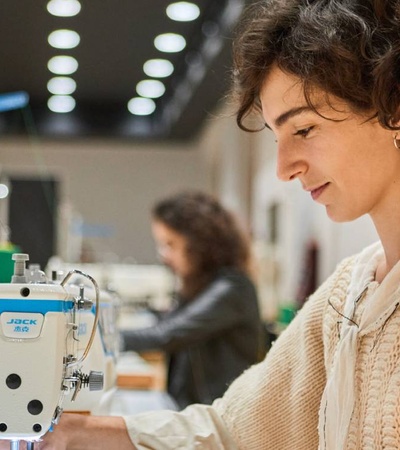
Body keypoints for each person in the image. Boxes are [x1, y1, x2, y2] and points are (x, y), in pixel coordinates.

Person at [13, 0, 400, 448]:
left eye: (305, 130)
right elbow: (233, 428)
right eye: (276, 138)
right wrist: (86, 433)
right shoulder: (346, 297)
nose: (283, 168)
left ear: (391, 102)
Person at [120, 191, 265, 409]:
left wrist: (101, 336)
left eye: (170, 244)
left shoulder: (232, 288)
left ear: (199, 243)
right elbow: (171, 322)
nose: (163, 255)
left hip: (218, 418)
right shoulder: (202, 286)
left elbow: (167, 335)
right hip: (189, 408)